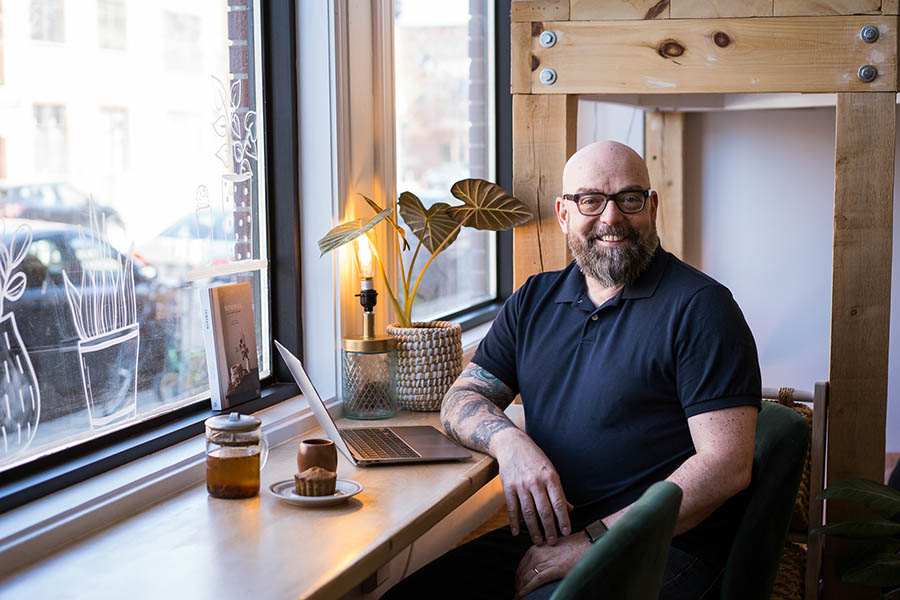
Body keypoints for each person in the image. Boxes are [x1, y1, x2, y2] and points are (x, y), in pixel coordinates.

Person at [384, 141, 761, 600]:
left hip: (665, 549)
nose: (611, 218)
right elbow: (462, 398)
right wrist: (511, 444)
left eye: (628, 199)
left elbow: (726, 465)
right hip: (552, 536)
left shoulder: (701, 308)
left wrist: (593, 542)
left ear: (651, 206)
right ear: (564, 214)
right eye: (590, 200)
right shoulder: (533, 300)